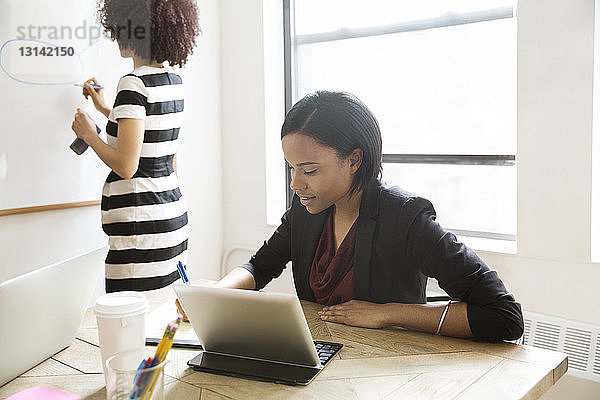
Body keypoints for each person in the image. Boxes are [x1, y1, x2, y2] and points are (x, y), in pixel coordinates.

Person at [216, 91, 524, 341]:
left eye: (309, 170)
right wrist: (213, 296)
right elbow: (260, 265)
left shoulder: (405, 217)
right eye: (292, 169)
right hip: (322, 357)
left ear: (353, 160)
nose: (296, 184)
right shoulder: (307, 209)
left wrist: (386, 313)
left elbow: (504, 316)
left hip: (389, 369)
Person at [70, 0, 199, 292]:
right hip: (170, 215)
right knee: (162, 318)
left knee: (127, 322)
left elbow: (127, 166)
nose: (115, 36)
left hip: (140, 223)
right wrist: (106, 109)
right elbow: (151, 137)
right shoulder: (173, 81)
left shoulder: (133, 84)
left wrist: (90, 135)